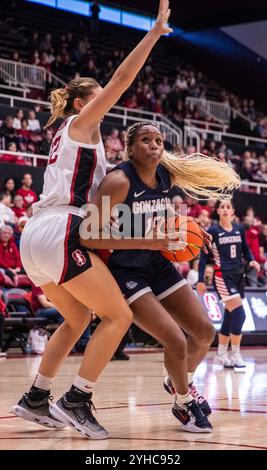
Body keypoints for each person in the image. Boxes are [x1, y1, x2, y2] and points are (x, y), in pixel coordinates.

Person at [12, 0, 174, 440]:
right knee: (118, 317)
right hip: (60, 229)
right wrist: (155, 33)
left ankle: (35, 397)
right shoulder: (82, 124)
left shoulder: (74, 142)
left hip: (37, 240)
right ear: (84, 102)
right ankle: (77, 399)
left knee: (78, 318)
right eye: (99, 96)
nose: (106, 102)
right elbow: (123, 79)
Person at [81, 122, 240, 432]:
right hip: (125, 271)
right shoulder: (118, 182)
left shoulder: (166, 176)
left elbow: (160, 214)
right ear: (130, 148)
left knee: (205, 331)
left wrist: (191, 228)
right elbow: (88, 236)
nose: (154, 145)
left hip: (157, 263)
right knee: (175, 340)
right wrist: (146, 241)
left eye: (158, 140)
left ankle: (178, 380)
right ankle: (184, 404)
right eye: (145, 140)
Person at [197, 199, 260, 370]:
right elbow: (203, 257)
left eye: (228, 207)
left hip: (239, 274)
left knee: (231, 315)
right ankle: (235, 353)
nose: (225, 209)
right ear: (218, 211)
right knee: (240, 314)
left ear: (233, 212)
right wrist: (201, 280)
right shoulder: (213, 231)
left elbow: (246, 249)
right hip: (222, 276)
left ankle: (220, 354)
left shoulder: (239, 228)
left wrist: (252, 261)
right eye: (222, 207)